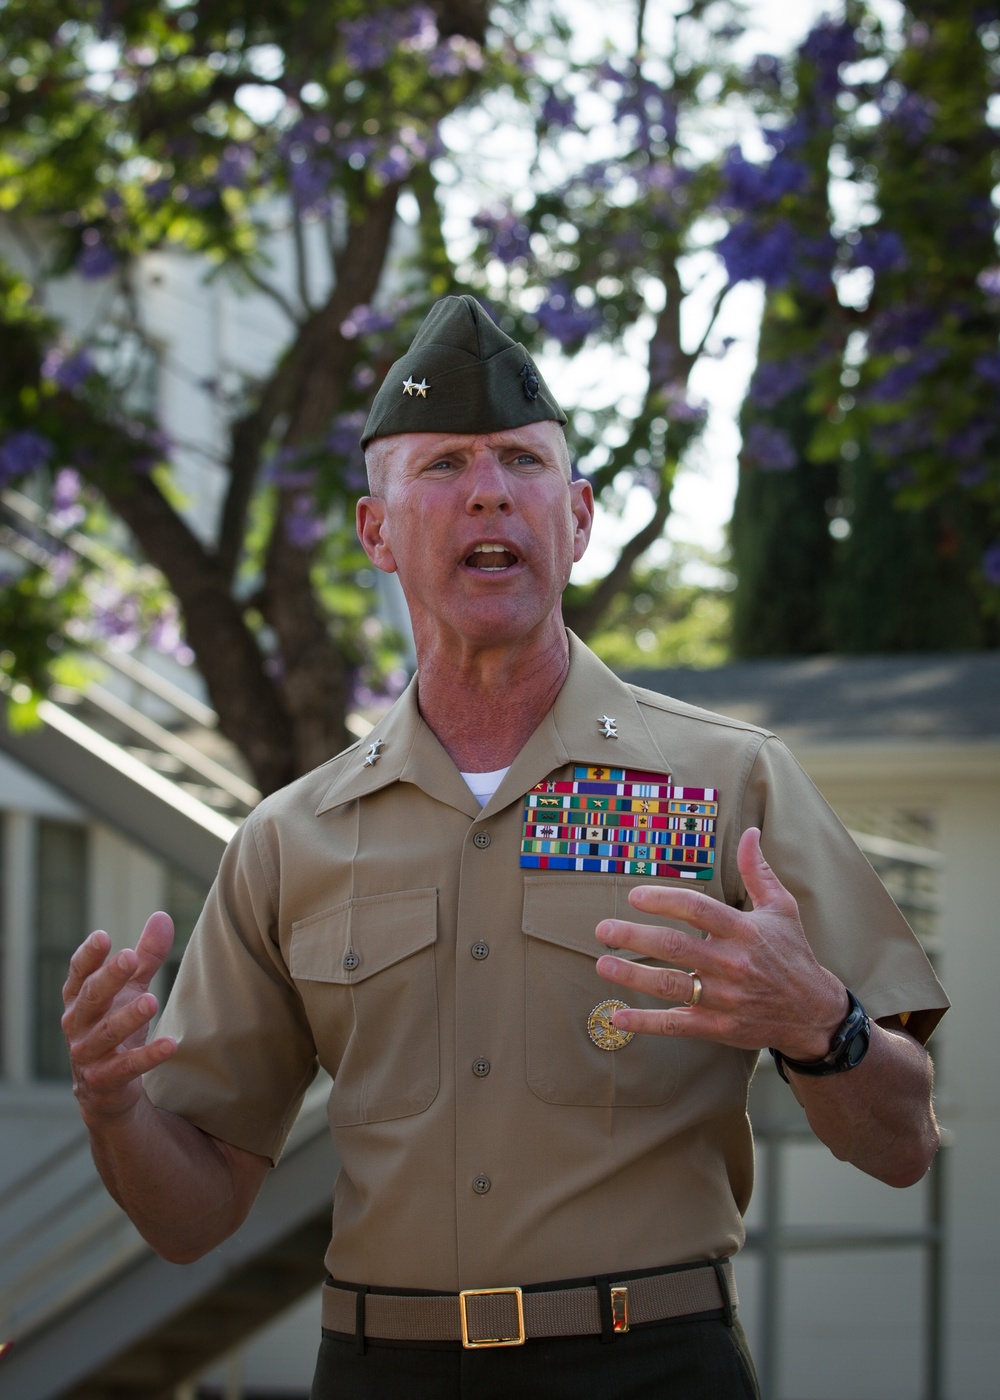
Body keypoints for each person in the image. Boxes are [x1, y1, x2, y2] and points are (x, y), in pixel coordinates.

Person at [62, 296, 948, 1399]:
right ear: (375, 531)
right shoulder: (289, 839)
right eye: (442, 465)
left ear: (575, 516)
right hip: (380, 1372)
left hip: (651, 1367)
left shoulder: (730, 784)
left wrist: (824, 1024)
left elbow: (902, 1139)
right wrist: (111, 1108)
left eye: (520, 460)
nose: (488, 488)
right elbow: (193, 1216)